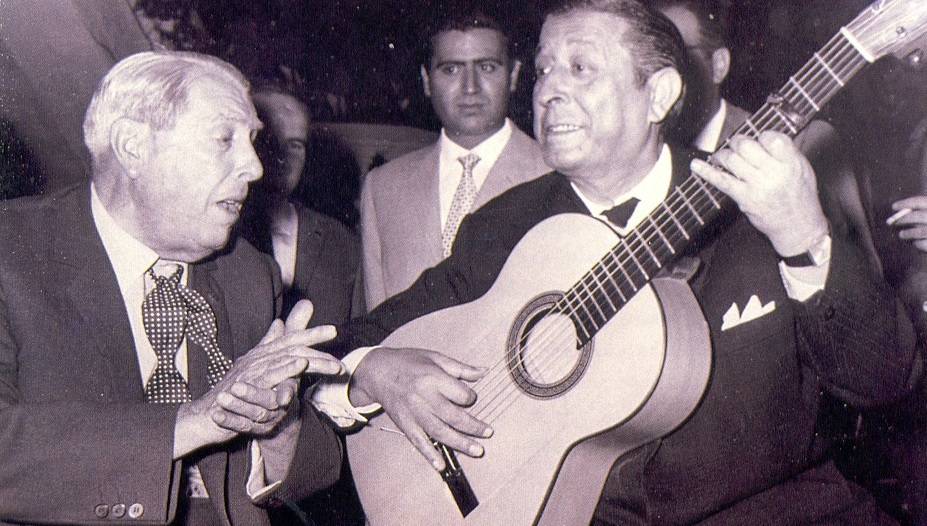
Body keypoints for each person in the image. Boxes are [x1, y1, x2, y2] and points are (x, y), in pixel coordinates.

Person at [316, 1, 917, 523]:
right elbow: (350, 342)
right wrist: (374, 371)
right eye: (546, 69)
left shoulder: (763, 204)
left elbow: (883, 379)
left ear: (658, 94)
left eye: (581, 68)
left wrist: (805, 238)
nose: (549, 90)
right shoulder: (503, 227)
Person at [0, 51, 345, 525]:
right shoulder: (13, 252)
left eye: (251, 142)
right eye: (224, 139)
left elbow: (318, 471)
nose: (255, 168)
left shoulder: (248, 274)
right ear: (133, 146)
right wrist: (194, 422)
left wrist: (275, 424)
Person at [651, 0, 882, 274]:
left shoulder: (803, 146)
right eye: (651, 64)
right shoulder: (646, 160)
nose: (662, 78)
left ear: (719, 65)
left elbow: (862, 278)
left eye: (680, 57)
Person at [358, 7, 550, 311]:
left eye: (486, 67)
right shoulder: (382, 188)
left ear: (513, 75)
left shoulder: (554, 174)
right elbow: (375, 325)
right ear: (426, 80)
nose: (470, 87)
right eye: (451, 69)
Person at [242, 75, 359, 326]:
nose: (282, 157)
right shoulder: (211, 240)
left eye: (295, 145)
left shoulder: (341, 243)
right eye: (266, 141)